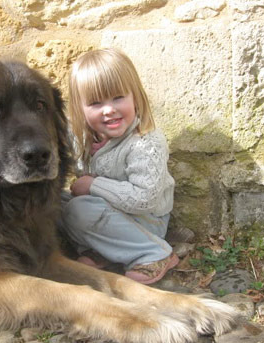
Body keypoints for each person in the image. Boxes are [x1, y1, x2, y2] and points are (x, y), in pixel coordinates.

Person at [60, 48, 178, 284]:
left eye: (118, 98)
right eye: (95, 103)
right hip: (107, 214)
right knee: (54, 203)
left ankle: (154, 254)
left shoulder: (146, 142)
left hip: (145, 222)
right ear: (80, 109)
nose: (109, 109)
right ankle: (102, 251)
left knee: (81, 210)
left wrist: (94, 185)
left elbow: (144, 198)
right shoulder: (83, 138)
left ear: (135, 96)